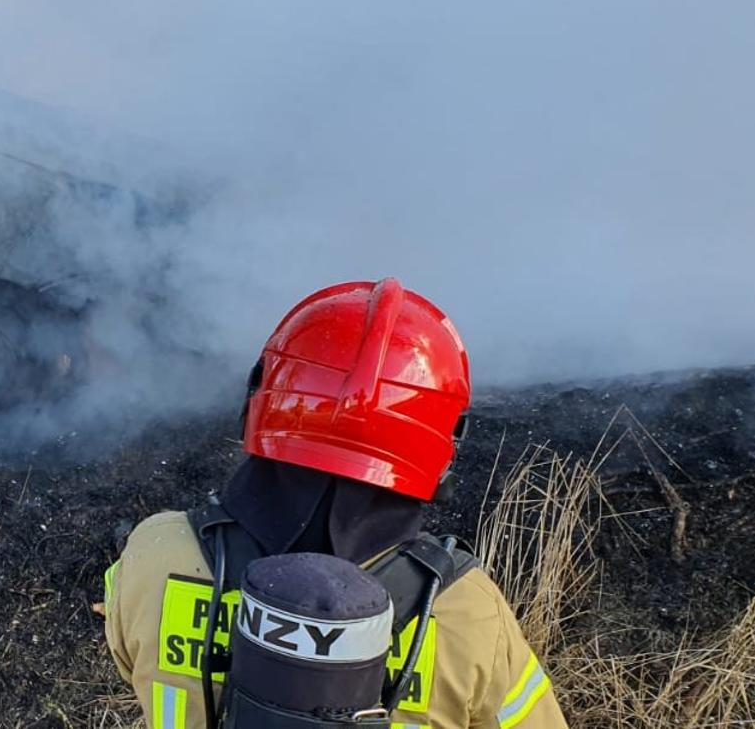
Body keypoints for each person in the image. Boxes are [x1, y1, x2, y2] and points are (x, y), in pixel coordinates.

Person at [102, 278, 567, 729]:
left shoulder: (157, 553)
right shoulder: (466, 610)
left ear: (262, 395)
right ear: (442, 441)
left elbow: (128, 661)